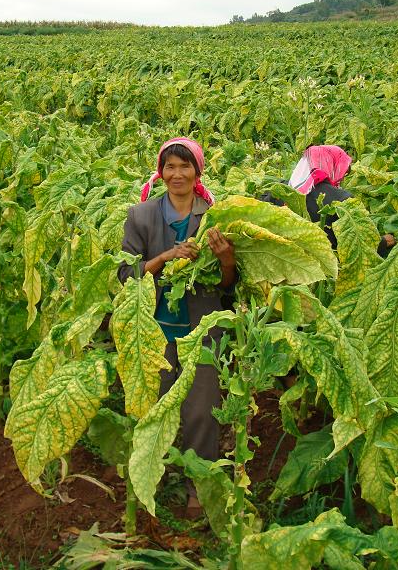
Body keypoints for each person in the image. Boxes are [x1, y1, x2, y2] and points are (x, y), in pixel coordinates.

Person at [118, 137, 236, 516]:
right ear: (161, 172)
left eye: (185, 166)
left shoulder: (216, 217)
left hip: (202, 330)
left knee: (201, 411)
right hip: (154, 331)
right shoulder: (141, 216)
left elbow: (230, 285)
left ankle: (197, 488)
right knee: (155, 407)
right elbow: (126, 275)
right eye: (170, 166)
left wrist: (226, 259)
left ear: (197, 172)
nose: (177, 174)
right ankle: (154, 475)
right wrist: (165, 257)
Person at [270, 144, 395, 256]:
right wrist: (385, 241)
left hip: (286, 262)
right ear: (333, 167)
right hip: (328, 270)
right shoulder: (342, 199)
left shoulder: (278, 190)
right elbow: (364, 244)